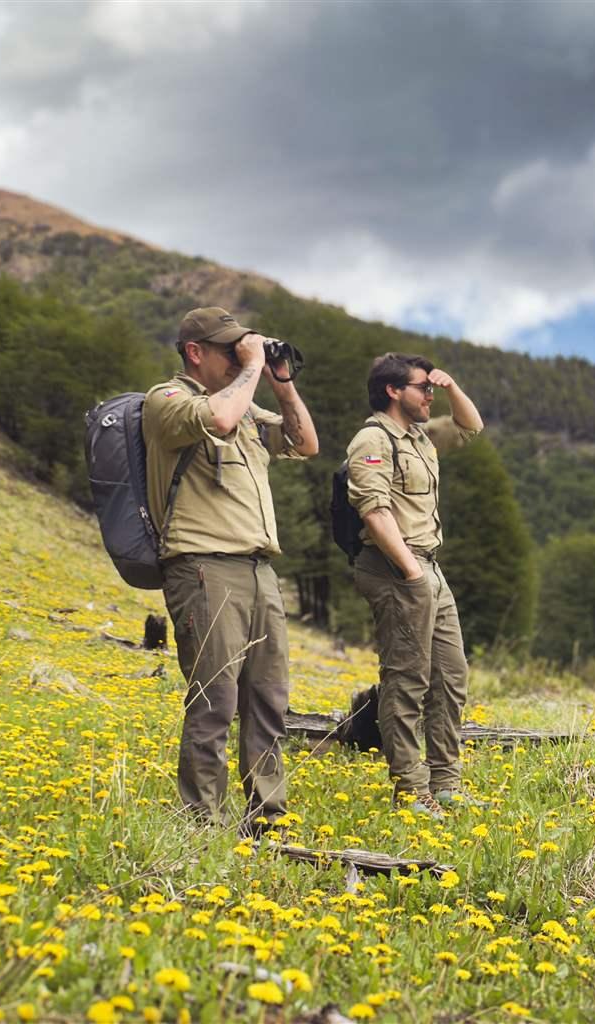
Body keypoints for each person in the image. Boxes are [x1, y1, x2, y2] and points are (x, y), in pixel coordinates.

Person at [143, 307, 319, 835]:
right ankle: (201, 819)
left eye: (244, 349)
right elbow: (216, 419)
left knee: (267, 698)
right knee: (215, 698)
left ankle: (268, 816)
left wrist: (280, 381)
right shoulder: (166, 400)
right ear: (195, 352)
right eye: (230, 349)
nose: (243, 357)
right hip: (203, 565)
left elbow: (305, 443)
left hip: (259, 568)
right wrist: (249, 369)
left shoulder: (246, 410)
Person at [346, 352, 485, 816]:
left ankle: (445, 781)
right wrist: (409, 572)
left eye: (430, 388)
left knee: (450, 675)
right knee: (407, 679)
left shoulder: (420, 437)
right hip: (396, 567)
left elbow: (471, 426)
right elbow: (373, 509)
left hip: (428, 566)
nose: (429, 394)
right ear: (393, 391)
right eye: (422, 387)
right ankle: (411, 789)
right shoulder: (374, 438)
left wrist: (451, 386)